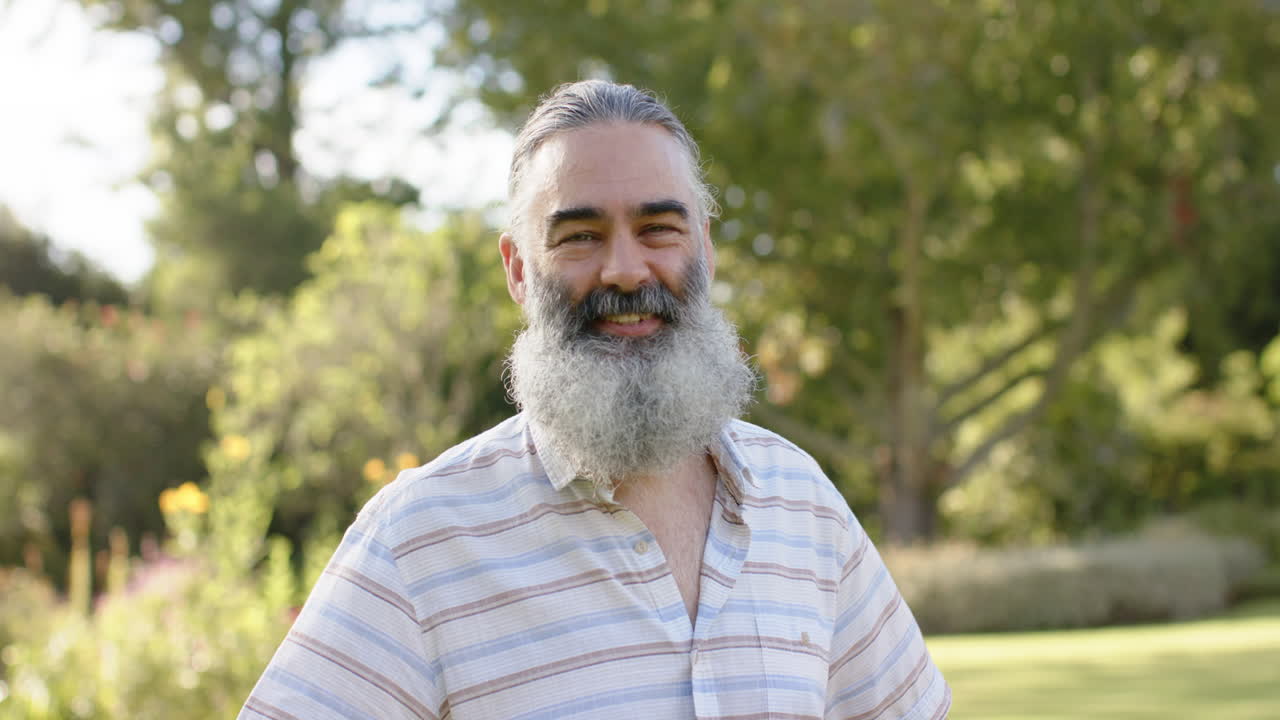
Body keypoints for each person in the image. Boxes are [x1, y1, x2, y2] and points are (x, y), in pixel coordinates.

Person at [239, 80, 950, 720]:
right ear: (518, 269)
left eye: (658, 230)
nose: (625, 268)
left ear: (704, 248)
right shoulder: (420, 538)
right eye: (580, 236)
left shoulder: (801, 503)